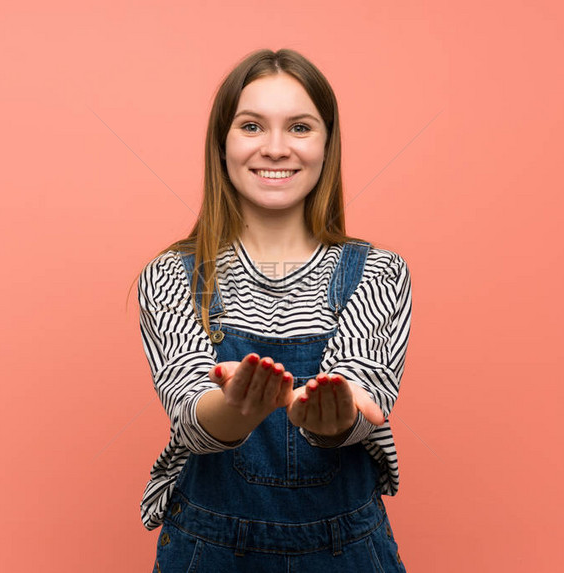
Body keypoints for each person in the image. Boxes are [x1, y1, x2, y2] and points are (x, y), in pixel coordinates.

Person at [135, 48, 413, 572]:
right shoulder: (173, 275)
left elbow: (362, 391)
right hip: (208, 552)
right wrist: (237, 409)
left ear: (327, 146)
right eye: (252, 126)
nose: (277, 148)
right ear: (223, 144)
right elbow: (190, 411)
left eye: (301, 127)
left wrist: (335, 416)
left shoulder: (378, 272)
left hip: (347, 553)